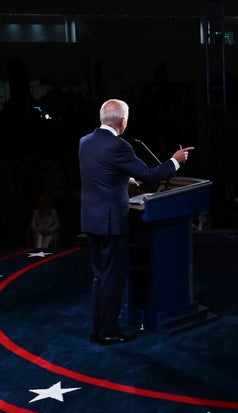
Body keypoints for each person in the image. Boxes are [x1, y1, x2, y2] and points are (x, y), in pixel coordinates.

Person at [79, 99, 194, 346]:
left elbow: (100, 174)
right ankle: (108, 331)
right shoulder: (119, 146)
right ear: (122, 120)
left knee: (100, 277)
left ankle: (98, 328)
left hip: (92, 220)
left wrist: (123, 180)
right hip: (111, 222)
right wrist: (175, 160)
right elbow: (152, 175)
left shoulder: (85, 142)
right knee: (112, 277)